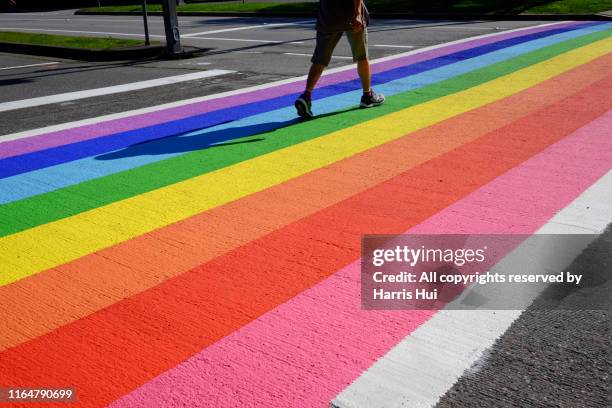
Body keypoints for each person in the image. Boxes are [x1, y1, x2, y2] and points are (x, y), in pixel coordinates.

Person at [294, 0, 385, 118]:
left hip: (327, 17)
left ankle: (306, 95)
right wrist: (357, 13)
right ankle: (367, 96)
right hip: (351, 15)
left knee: (320, 59)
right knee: (362, 56)